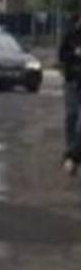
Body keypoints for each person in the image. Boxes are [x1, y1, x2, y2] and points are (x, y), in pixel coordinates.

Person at [58, 14, 81, 174]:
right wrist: (76, 54)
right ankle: (71, 152)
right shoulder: (70, 34)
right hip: (72, 80)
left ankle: (72, 156)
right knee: (71, 116)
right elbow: (61, 56)